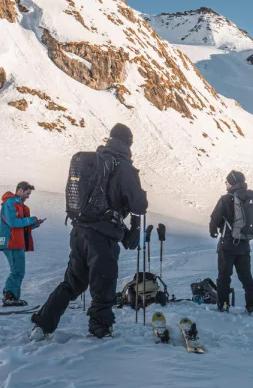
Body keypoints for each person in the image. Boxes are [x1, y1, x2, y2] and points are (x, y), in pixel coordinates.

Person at [31, 123, 148, 339]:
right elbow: (139, 205)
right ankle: (100, 330)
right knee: (103, 284)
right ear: (128, 143)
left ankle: (42, 325)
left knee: (72, 282)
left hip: (78, 232)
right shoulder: (124, 168)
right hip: (102, 237)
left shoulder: (95, 162)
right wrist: (133, 226)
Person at [209, 170, 253, 314]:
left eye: (227, 181)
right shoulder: (248, 198)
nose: (226, 183)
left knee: (224, 276)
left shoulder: (226, 199)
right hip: (244, 244)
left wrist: (213, 231)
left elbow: (215, 218)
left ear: (232, 183)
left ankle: (223, 304)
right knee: (246, 277)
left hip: (228, 244)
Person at [0, 182, 45, 306]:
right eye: (27, 193)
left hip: (17, 243)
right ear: (20, 190)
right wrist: (30, 219)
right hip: (11, 242)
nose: (28, 196)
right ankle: (9, 296)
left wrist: (33, 225)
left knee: (19, 271)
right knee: (17, 271)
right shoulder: (10, 203)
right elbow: (13, 222)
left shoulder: (19, 205)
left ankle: (13, 297)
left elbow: (20, 227)